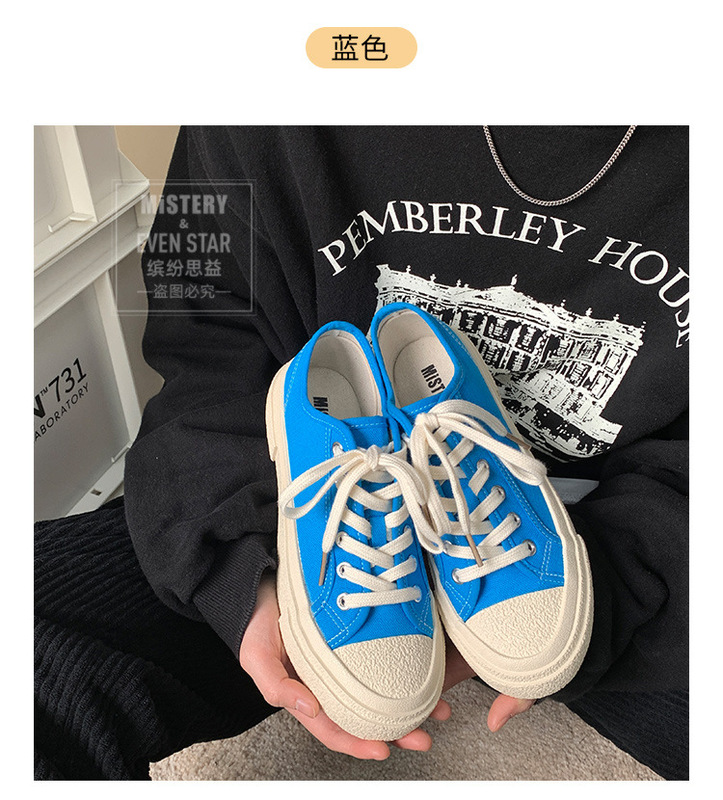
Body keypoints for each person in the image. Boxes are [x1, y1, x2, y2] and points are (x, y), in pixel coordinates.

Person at [34, 126, 688, 780]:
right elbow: (202, 337)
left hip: (641, 523)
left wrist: (625, 578)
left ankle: (482, 475)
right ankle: (338, 449)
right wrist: (239, 572)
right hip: (305, 495)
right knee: (34, 648)